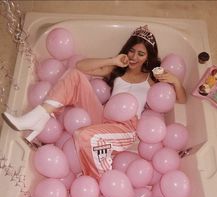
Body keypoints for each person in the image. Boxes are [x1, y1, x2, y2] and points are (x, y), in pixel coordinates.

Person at [1, 25, 187, 180]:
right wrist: (113, 60)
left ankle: (99, 179)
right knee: (75, 76)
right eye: (131, 50)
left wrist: (176, 82)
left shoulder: (151, 78)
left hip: (126, 128)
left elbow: (181, 99)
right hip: (104, 117)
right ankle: (39, 116)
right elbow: (80, 67)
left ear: (148, 57)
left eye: (141, 53)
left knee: (84, 136)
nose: (134, 57)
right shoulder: (118, 70)